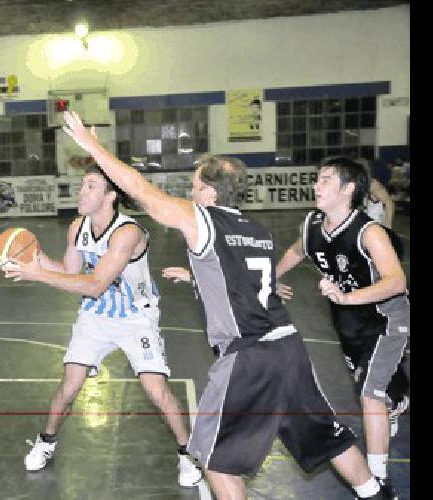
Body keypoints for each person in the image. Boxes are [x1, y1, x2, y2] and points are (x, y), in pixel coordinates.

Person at [60, 110, 395, 499]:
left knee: (214, 458)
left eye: (194, 185)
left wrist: (94, 146)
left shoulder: (204, 220)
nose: (189, 192)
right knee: (329, 439)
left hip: (248, 358)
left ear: (210, 192)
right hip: (289, 348)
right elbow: (241, 279)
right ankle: (376, 492)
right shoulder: (256, 230)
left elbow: (141, 191)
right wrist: (196, 276)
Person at [0, 164, 202, 488]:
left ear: (110, 196)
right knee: (69, 386)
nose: (81, 191)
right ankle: (46, 442)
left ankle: (186, 454)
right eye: (82, 185)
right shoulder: (77, 227)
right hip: (95, 316)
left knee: (156, 389)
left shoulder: (128, 233)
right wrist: (35, 261)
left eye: (91, 186)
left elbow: (94, 284)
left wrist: (38, 275)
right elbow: (70, 273)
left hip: (136, 318)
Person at [273, 156, 410, 487]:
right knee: (373, 383)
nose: (315, 185)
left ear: (348, 189)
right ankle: (399, 395)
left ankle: (376, 480)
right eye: (317, 178)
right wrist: (270, 280)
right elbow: (296, 252)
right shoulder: (312, 227)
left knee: (370, 393)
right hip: (349, 325)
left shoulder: (369, 232)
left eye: (324, 179)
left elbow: (396, 282)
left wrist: (347, 297)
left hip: (385, 318)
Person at [357, 159, 394, 228]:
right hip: (367, 225)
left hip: (377, 226)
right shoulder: (361, 184)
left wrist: (388, 226)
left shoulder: (373, 185)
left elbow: (389, 203)